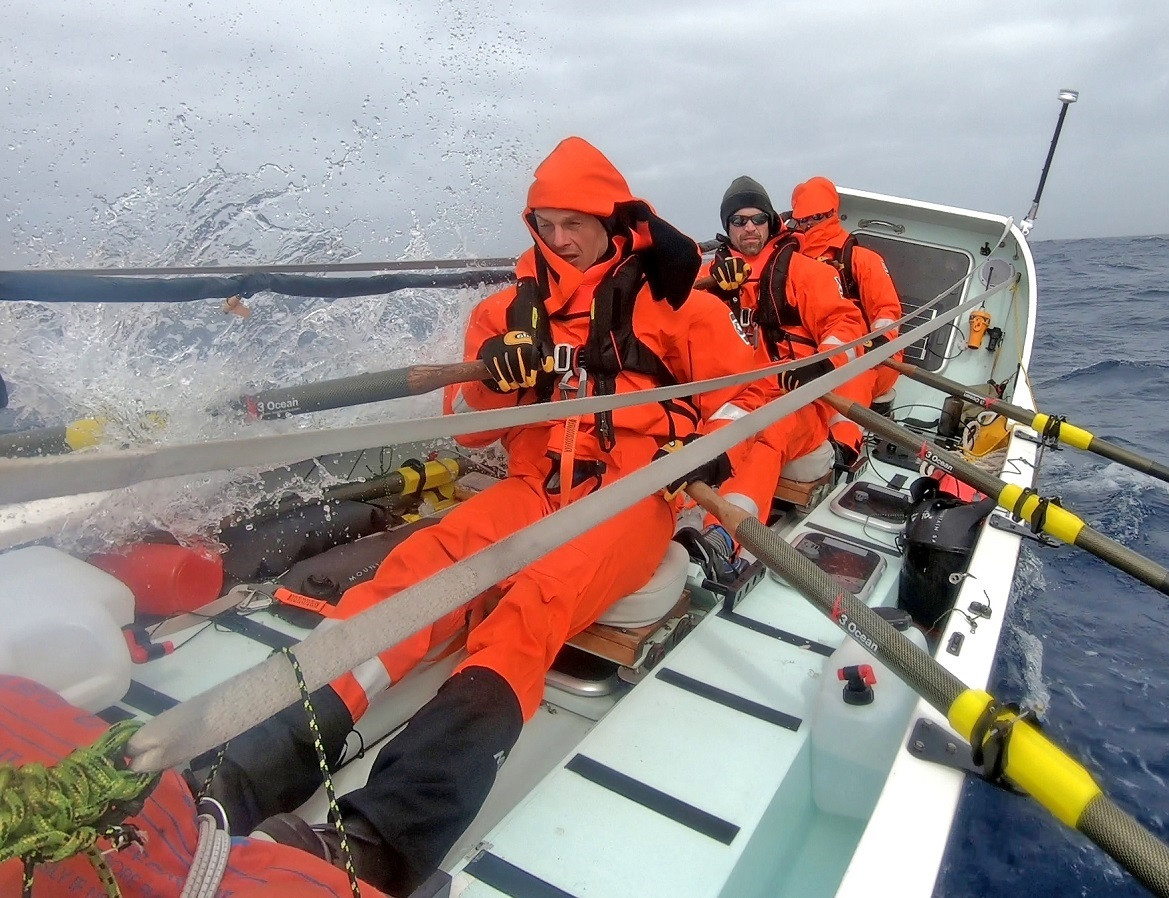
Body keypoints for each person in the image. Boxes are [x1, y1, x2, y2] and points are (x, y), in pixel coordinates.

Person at [203, 137, 766, 896]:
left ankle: (380, 841)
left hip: (634, 499)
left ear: (613, 221)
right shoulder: (504, 313)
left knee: (535, 604)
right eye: (545, 221)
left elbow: (754, 398)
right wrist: (500, 380)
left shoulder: (682, 308)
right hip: (534, 487)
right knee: (417, 574)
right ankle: (244, 770)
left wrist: (705, 448)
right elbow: (470, 432)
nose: (558, 238)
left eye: (575, 222)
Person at [700, 176, 872, 524]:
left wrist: (822, 365)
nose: (750, 228)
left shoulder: (803, 272)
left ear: (771, 222)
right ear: (727, 226)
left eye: (758, 219)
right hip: (735, 397)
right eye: (738, 220)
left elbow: (847, 325)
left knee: (768, 433)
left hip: (799, 397)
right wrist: (709, 288)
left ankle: (723, 538)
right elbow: (663, 310)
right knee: (705, 442)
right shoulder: (706, 276)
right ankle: (674, 524)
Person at [791, 176, 904, 407]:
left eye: (818, 217)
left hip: (869, 360)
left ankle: (844, 442)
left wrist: (880, 342)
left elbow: (886, 311)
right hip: (807, 354)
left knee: (850, 384)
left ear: (832, 213)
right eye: (804, 219)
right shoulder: (790, 262)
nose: (811, 224)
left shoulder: (863, 260)